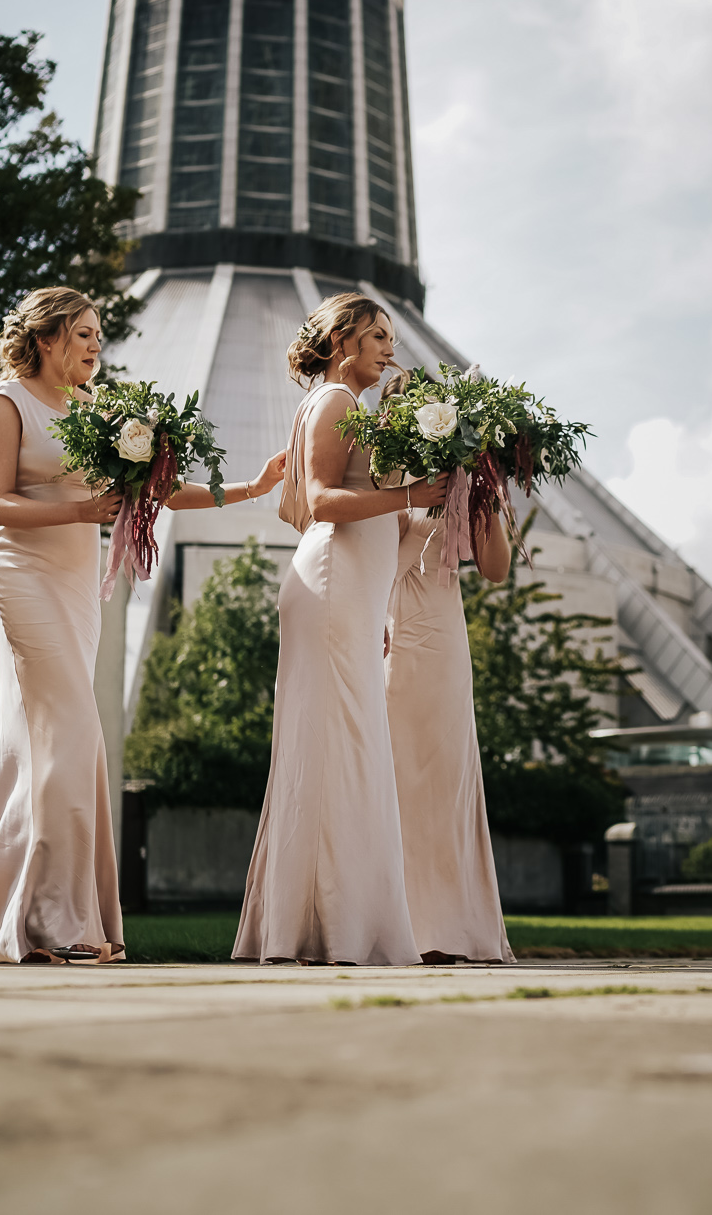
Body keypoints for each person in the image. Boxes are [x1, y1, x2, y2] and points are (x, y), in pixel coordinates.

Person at [0, 286, 285, 965]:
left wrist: (250, 487)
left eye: (97, 334)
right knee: (72, 734)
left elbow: (157, 490)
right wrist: (81, 513)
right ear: (46, 338)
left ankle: (33, 915)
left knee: (44, 743)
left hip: (78, 588)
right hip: (24, 578)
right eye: (83, 334)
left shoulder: (97, 413)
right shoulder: (6, 404)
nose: (95, 345)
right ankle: (51, 919)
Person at [232, 293, 449, 965]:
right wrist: (413, 496)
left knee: (346, 742)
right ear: (341, 341)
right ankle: (327, 923)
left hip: (346, 590)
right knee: (338, 744)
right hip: (330, 583)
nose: (390, 348)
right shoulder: (334, 404)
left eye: (391, 337)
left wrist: (371, 598)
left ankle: (335, 919)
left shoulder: (346, 406)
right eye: (378, 335)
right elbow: (321, 503)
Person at [384, 378, 518, 963]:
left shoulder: (463, 479)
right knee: (392, 776)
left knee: (443, 773)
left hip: (440, 633)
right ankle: (397, 926)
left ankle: (450, 929)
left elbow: (494, 570)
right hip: (385, 624)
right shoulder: (381, 474)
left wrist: (487, 491)